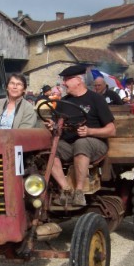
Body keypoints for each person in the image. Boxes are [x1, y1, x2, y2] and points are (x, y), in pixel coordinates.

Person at [47, 64, 116, 207]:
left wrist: (89, 131)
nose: (64, 83)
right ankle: (65, 190)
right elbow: (55, 124)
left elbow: (111, 130)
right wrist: (52, 125)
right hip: (69, 145)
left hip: (95, 144)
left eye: (66, 79)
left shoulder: (96, 99)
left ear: (78, 80)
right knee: (50, 146)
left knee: (81, 143)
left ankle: (79, 192)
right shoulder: (63, 102)